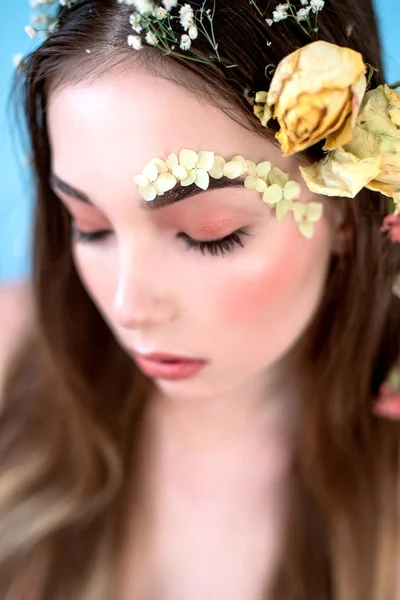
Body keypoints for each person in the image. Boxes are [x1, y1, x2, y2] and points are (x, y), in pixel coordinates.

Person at [1, 0, 400, 598]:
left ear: (344, 213)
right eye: (89, 226)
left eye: (208, 234)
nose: (129, 305)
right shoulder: (10, 353)